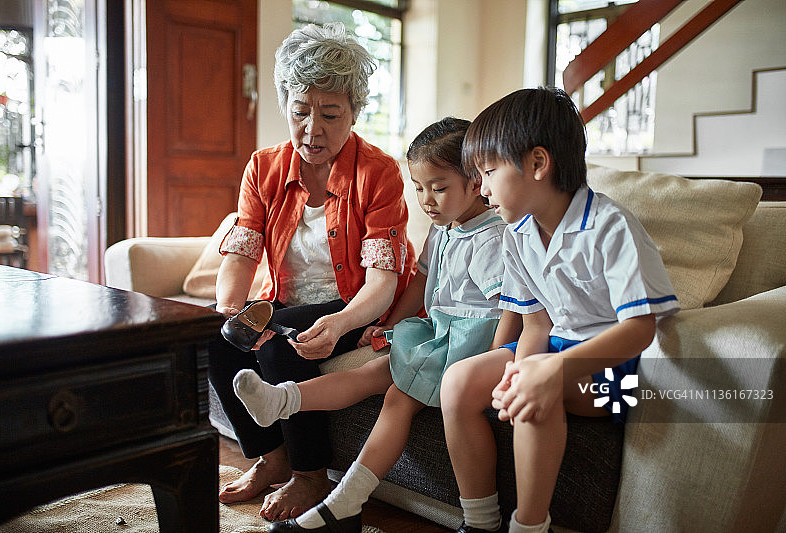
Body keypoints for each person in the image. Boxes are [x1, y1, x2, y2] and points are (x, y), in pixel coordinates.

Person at [232, 117, 509, 533]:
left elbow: (510, 308)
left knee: (390, 390)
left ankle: (476, 521)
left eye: (438, 187)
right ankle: (283, 403)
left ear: (476, 183)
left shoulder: (492, 239)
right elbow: (418, 280)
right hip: (440, 335)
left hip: (472, 345)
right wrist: (390, 326)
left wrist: (495, 363)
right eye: (419, 188)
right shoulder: (444, 230)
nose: (426, 200)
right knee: (373, 376)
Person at [439, 87, 680, 533]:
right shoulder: (517, 234)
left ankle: (529, 526)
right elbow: (535, 324)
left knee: (538, 388)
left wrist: (550, 371)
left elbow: (639, 329)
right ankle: (480, 522)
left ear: (537, 163)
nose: (482, 188)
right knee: (457, 382)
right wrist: (524, 366)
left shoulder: (611, 226)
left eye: (488, 172)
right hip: (554, 347)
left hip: (620, 376)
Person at [209, 22, 417, 521]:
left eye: (330, 114)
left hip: (357, 303)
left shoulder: (380, 172)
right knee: (218, 341)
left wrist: (344, 323)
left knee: (283, 346)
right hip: (286, 301)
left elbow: (382, 282)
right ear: (285, 104)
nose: (312, 128)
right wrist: (231, 312)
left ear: (354, 112)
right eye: (300, 112)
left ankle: (311, 476)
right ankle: (270, 458)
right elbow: (241, 253)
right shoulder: (264, 168)